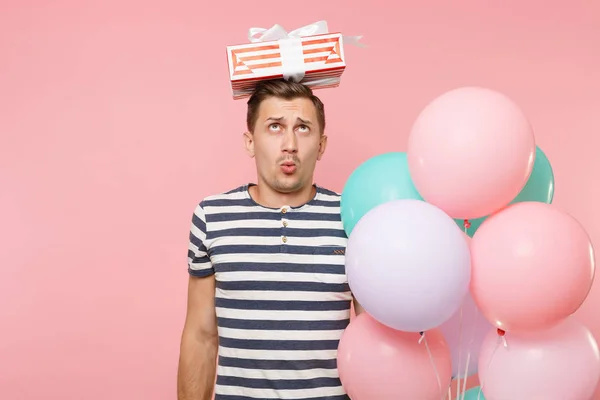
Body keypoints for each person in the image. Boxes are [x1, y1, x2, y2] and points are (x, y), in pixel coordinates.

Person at [177, 78, 363, 400]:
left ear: (321, 144)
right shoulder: (212, 216)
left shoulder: (353, 219)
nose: (289, 143)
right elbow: (201, 336)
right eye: (275, 127)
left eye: (303, 128)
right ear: (250, 142)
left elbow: (374, 337)